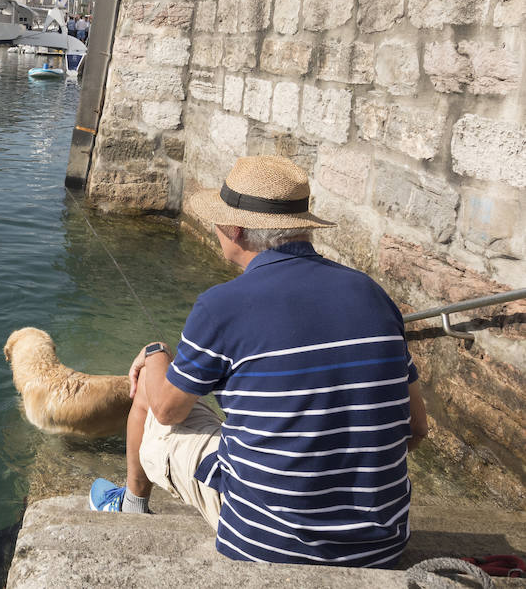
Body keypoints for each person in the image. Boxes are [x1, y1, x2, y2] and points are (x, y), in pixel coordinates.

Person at [89, 155, 429, 569]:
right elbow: (416, 428)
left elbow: (167, 409)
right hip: (381, 544)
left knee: (150, 388)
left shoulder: (220, 306)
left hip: (267, 542)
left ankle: (131, 505)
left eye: (218, 222)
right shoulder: (372, 294)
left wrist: (155, 353)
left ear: (235, 230)